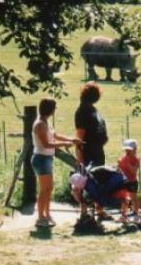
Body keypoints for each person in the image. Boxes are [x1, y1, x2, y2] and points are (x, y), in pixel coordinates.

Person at [31, 97, 83, 227]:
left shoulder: (45, 123)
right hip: (41, 159)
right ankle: (40, 218)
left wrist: (71, 140)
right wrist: (66, 143)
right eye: (54, 108)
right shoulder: (39, 125)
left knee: (49, 188)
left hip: (46, 159)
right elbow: (47, 144)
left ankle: (47, 214)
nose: (54, 111)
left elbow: (55, 136)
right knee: (44, 189)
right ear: (50, 110)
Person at [75, 81, 108, 167]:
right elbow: (79, 138)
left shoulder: (93, 110)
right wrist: (80, 158)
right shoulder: (82, 112)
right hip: (89, 156)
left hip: (98, 153)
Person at [118, 139, 141, 222]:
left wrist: (128, 163)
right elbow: (119, 169)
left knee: (134, 198)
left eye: (129, 150)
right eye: (126, 150)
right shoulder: (122, 158)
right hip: (124, 181)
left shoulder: (136, 159)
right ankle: (123, 215)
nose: (127, 151)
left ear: (135, 149)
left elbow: (134, 171)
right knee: (124, 198)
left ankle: (136, 213)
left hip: (132, 181)